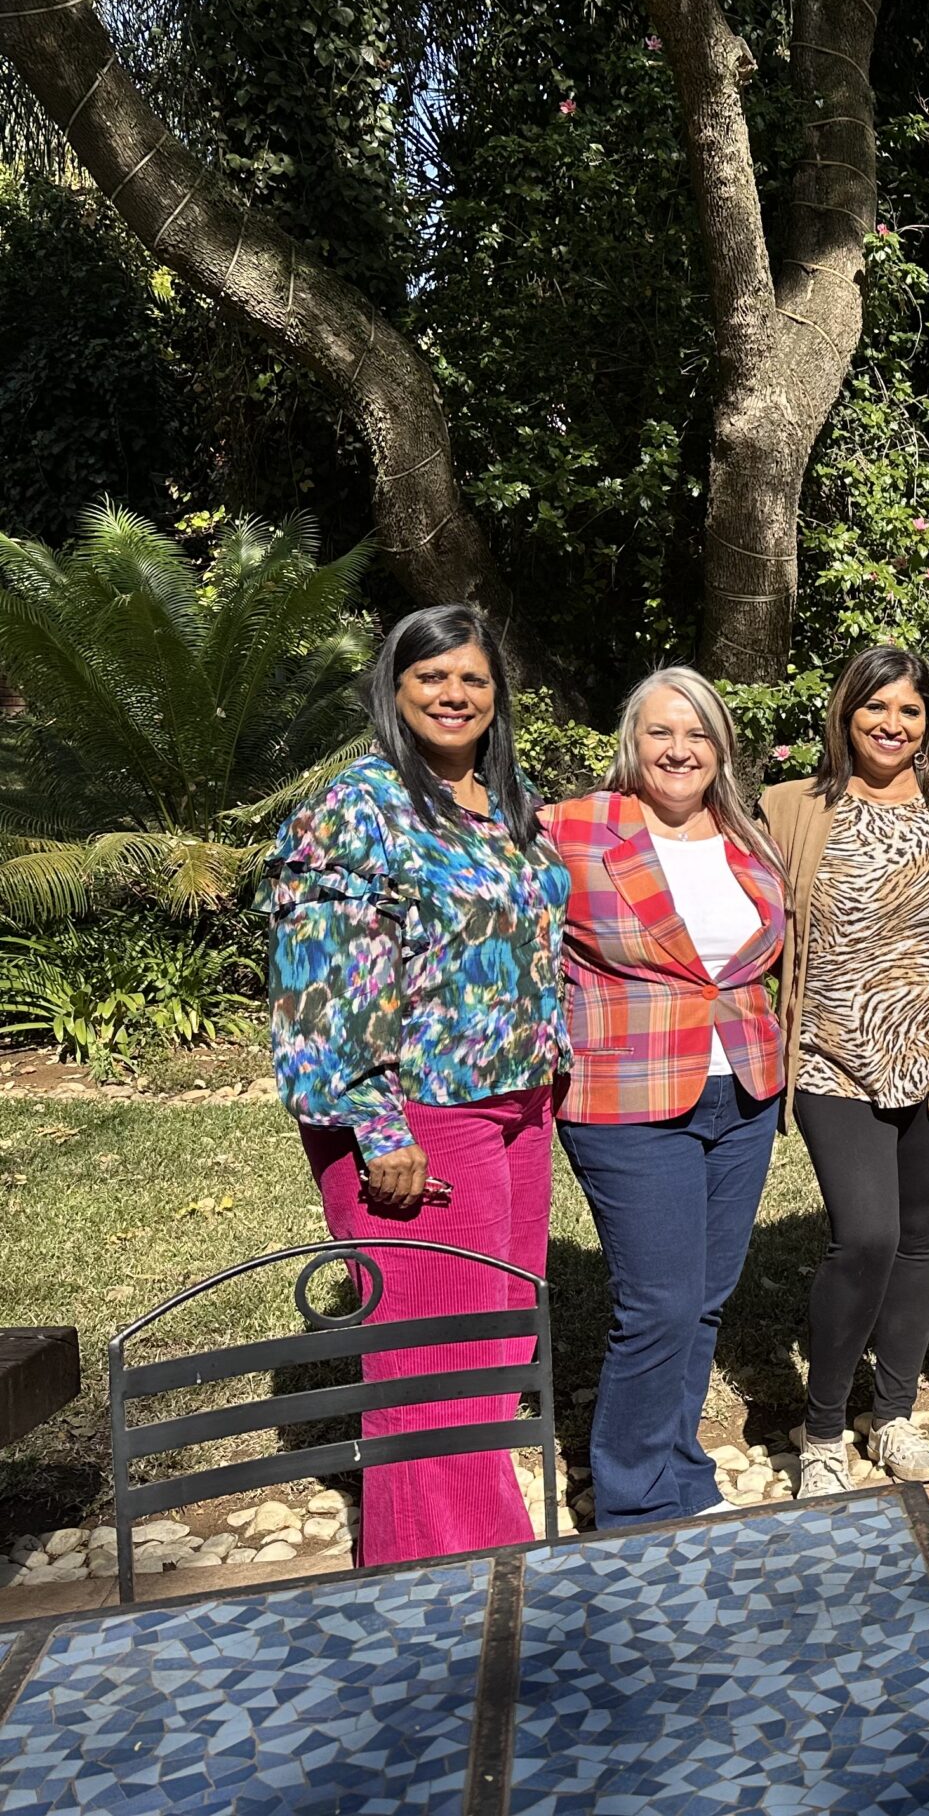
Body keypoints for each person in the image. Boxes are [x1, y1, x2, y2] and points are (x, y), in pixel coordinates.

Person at [262, 604, 570, 1565]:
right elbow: (322, 979)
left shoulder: (504, 802)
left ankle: (440, 1563)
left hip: (517, 1103)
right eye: (432, 676)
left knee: (497, 1343)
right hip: (423, 1113)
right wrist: (376, 1124)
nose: (454, 694)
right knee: (436, 1358)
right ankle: (466, 1580)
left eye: (474, 678)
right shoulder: (361, 806)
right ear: (393, 689)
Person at [545, 669, 786, 1528]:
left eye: (698, 734)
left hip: (744, 1090)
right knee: (659, 1303)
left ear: (721, 748)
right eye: (660, 732)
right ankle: (634, 1503)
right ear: (631, 742)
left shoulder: (747, 837)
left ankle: (681, 1469)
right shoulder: (571, 829)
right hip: (628, 1096)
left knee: (706, 1297)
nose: (679, 750)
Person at [762, 647, 929, 1492]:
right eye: (875, 707)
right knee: (866, 1236)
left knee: (920, 1241)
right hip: (830, 1055)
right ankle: (822, 1431)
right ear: (845, 715)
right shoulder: (791, 807)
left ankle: (891, 1416)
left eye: (910, 710)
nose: (893, 724)